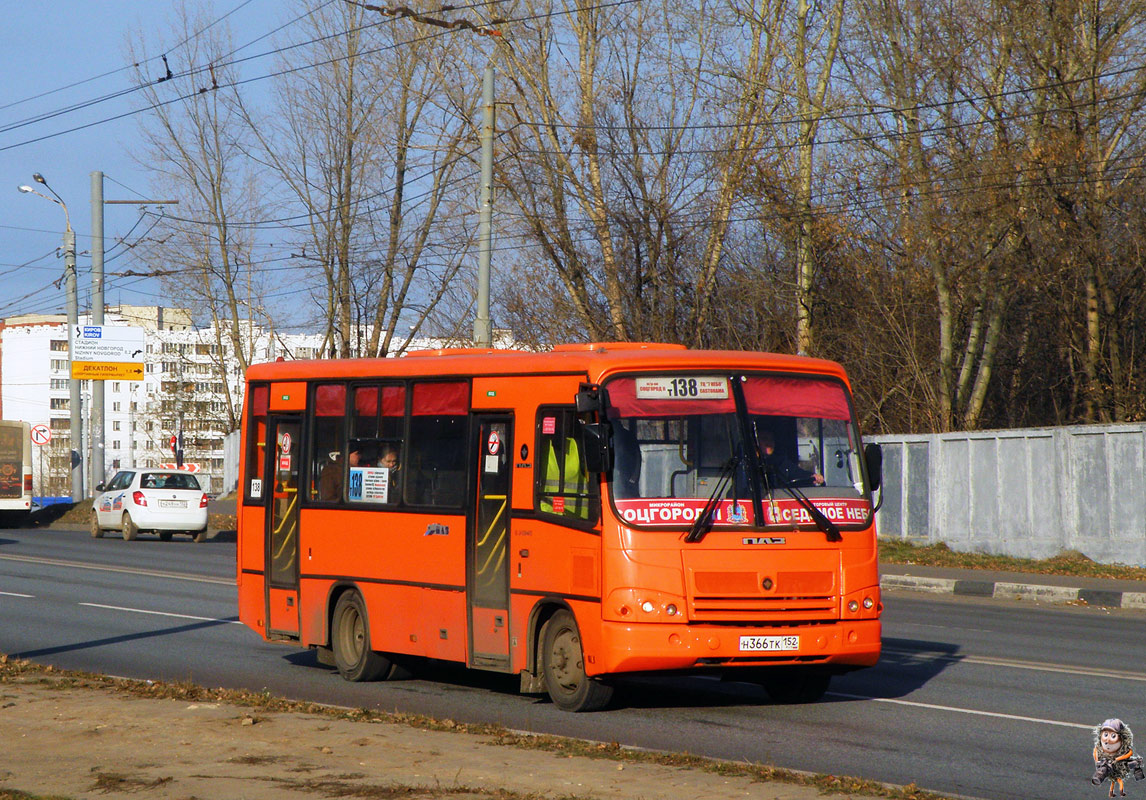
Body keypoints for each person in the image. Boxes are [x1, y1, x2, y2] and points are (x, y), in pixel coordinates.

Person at [756, 429, 824, 487]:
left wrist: (812, 476)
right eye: (764, 439)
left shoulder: (780, 463)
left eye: (771, 439)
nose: (769, 442)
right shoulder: (748, 464)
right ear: (756, 442)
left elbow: (797, 473)